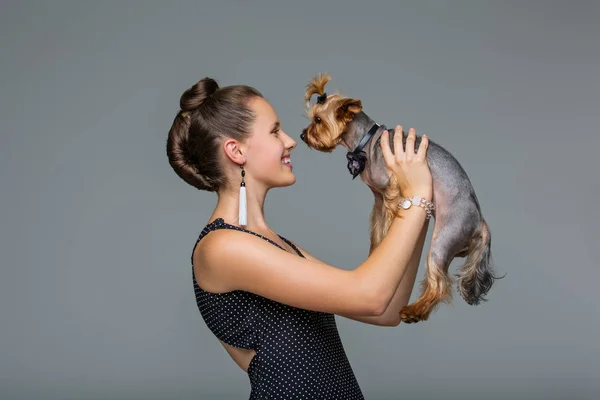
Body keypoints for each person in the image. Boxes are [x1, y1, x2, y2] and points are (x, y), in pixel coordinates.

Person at [166, 77, 432, 399]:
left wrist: (410, 200)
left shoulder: (276, 246)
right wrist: (415, 198)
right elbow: (370, 296)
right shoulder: (223, 247)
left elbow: (388, 309)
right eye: (275, 131)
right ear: (236, 150)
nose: (290, 141)